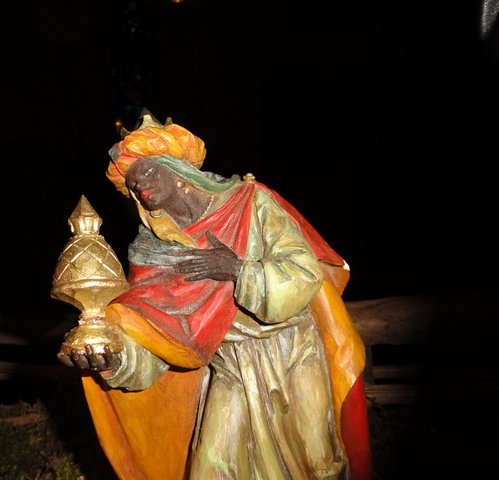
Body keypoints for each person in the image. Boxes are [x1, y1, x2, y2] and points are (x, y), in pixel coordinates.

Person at [59, 109, 372, 480]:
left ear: (177, 169)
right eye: (131, 181)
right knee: (212, 466)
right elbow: (154, 333)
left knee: (317, 464)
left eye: (147, 171)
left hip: (293, 352)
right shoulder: (152, 251)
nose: (138, 184)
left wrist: (239, 270)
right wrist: (114, 358)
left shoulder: (250, 203)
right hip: (229, 367)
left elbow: (303, 273)